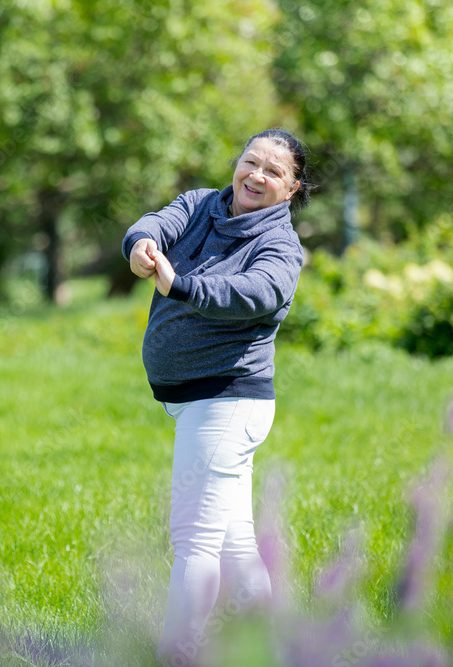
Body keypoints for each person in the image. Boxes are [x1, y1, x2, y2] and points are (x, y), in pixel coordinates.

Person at [121, 129, 312, 664]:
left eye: (274, 171)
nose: (256, 175)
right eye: (250, 162)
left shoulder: (280, 247)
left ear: (293, 188)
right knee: (233, 546)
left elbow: (253, 294)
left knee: (194, 542)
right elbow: (156, 224)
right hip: (197, 402)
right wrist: (140, 245)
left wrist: (180, 284)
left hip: (226, 403)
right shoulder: (201, 205)